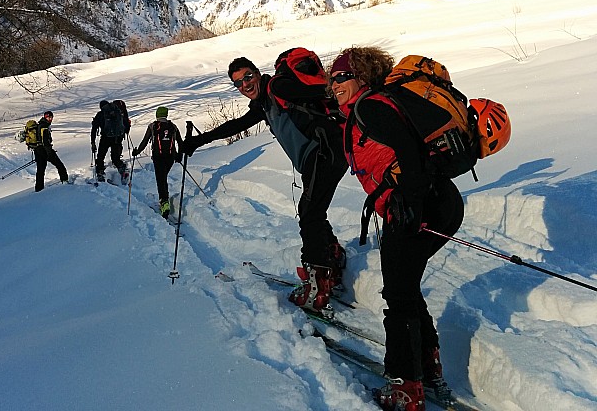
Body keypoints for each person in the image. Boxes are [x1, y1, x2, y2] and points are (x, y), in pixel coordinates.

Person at [328, 46, 464, 411]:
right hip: (433, 203)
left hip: (420, 206)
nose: (335, 83)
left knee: (399, 295)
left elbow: (408, 151)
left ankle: (405, 386)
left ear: (361, 77)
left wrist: (412, 205)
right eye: (332, 78)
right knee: (404, 287)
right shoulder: (366, 109)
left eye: (342, 76)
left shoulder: (371, 106)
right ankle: (427, 366)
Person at [181, 55, 348, 311]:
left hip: (325, 153)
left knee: (310, 214)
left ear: (258, 73)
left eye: (248, 76)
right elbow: (234, 126)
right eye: (239, 83)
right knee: (311, 210)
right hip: (319, 156)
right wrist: (197, 142)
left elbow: (319, 88)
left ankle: (319, 282)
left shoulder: (277, 87)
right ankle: (331, 257)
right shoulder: (263, 104)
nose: (245, 85)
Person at [132, 106, 184, 219]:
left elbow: (145, 141)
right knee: (163, 178)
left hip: (158, 157)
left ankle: (164, 203)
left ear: (157, 115)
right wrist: (179, 155)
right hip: (170, 157)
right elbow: (180, 142)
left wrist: (137, 152)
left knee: (161, 179)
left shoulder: (153, 126)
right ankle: (164, 199)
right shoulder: (173, 127)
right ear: (166, 114)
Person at [90, 99, 130, 182]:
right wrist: (124, 133)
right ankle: (123, 170)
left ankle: (100, 173)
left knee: (100, 157)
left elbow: (94, 129)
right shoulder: (117, 112)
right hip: (117, 138)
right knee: (115, 158)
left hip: (105, 138)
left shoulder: (100, 114)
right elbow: (125, 124)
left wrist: (93, 142)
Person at [32, 110, 68, 192]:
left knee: (40, 171)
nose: (50, 119)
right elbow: (45, 141)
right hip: (44, 150)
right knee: (59, 165)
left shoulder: (40, 125)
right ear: (45, 117)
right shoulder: (44, 126)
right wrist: (49, 152)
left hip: (37, 150)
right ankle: (65, 181)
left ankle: (39, 189)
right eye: (48, 117)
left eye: (51, 117)